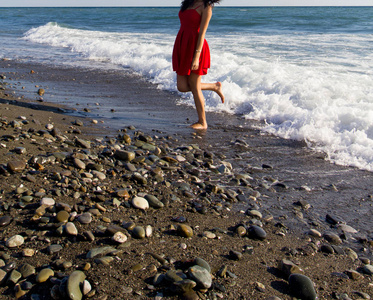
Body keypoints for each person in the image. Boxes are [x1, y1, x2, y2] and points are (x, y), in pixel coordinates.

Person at [172, 0, 224, 130]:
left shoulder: (206, 7)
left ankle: (202, 122)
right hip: (182, 43)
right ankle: (214, 86)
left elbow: (202, 33)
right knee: (182, 86)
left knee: (195, 86)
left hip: (196, 47)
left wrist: (196, 56)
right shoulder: (187, 3)